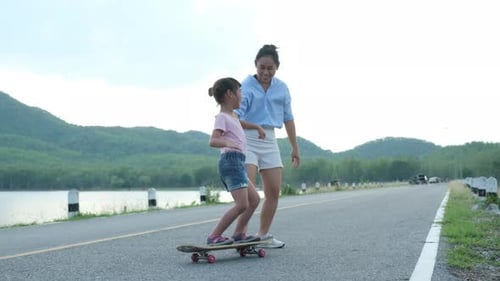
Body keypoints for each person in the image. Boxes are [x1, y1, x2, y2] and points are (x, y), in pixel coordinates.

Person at [235, 44, 300, 248]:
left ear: (276, 68)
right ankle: (241, 233)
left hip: (270, 138)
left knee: (273, 191)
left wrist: (294, 147)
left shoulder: (282, 88)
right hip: (247, 137)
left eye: (270, 68)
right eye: (262, 67)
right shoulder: (245, 86)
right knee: (248, 191)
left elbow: (288, 118)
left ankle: (263, 235)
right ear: (255, 65)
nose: (265, 72)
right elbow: (235, 117)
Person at [206, 77, 262, 245]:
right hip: (230, 162)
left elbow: (240, 123)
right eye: (240, 92)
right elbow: (213, 140)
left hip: (238, 163)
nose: (242, 96)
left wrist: (257, 127)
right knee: (242, 204)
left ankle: (238, 233)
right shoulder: (222, 117)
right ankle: (214, 236)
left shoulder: (233, 116)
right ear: (230, 94)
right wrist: (227, 142)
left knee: (254, 200)